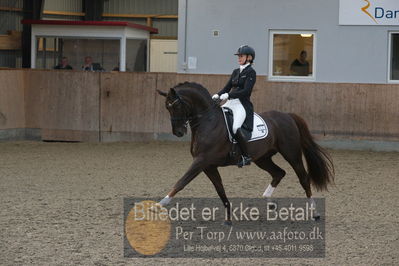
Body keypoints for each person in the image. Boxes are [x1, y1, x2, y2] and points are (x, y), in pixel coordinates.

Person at [212, 45, 256, 167]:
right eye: (239, 56)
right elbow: (226, 87)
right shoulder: (236, 72)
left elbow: (246, 91)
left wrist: (228, 95)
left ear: (249, 57)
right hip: (230, 103)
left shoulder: (251, 72)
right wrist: (217, 95)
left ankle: (246, 156)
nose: (239, 58)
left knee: (236, 127)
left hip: (241, 104)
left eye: (241, 56)